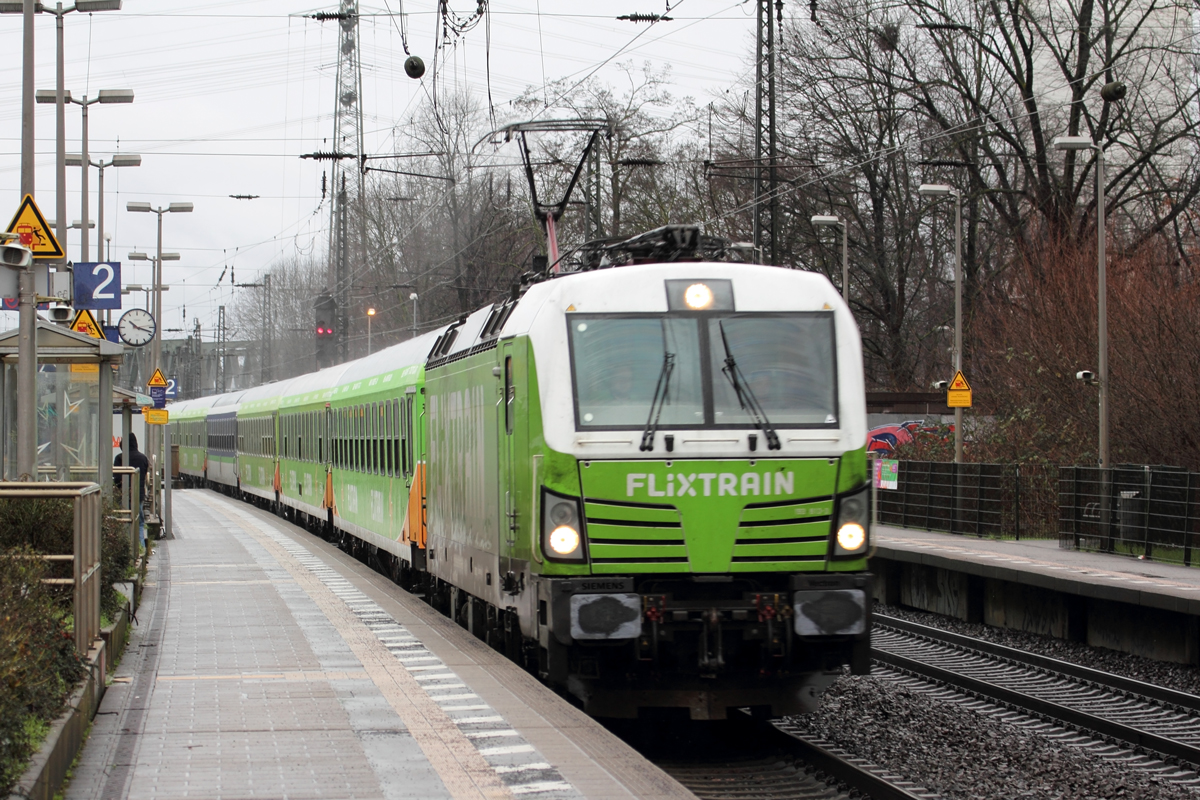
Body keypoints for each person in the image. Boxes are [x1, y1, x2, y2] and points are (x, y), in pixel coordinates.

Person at [115, 433, 150, 547]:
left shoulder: (119, 458)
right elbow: (144, 477)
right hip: (138, 496)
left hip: (123, 495)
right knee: (139, 523)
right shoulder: (143, 458)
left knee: (125, 521)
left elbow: (117, 479)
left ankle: (127, 548)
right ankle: (141, 548)